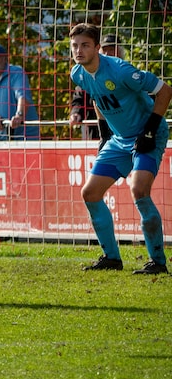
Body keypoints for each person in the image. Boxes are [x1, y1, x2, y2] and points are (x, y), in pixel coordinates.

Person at [69, 23, 169, 275]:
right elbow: (97, 97)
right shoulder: (77, 74)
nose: (78, 51)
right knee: (90, 193)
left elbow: (165, 91)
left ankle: (157, 262)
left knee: (138, 189)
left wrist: (149, 130)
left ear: (97, 48)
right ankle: (112, 258)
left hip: (148, 133)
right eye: (74, 46)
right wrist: (104, 135)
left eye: (85, 45)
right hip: (119, 139)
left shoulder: (120, 70)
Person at [0, 43, 40, 140]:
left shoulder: (16, 73)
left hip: (25, 138)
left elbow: (23, 97)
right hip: (2, 140)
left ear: (5, 58)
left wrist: (19, 115)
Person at [70, 34, 122, 142]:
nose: (108, 53)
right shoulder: (86, 75)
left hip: (124, 133)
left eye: (112, 49)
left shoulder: (126, 73)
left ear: (120, 51)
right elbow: (79, 98)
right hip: (94, 134)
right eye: (105, 49)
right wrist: (76, 113)